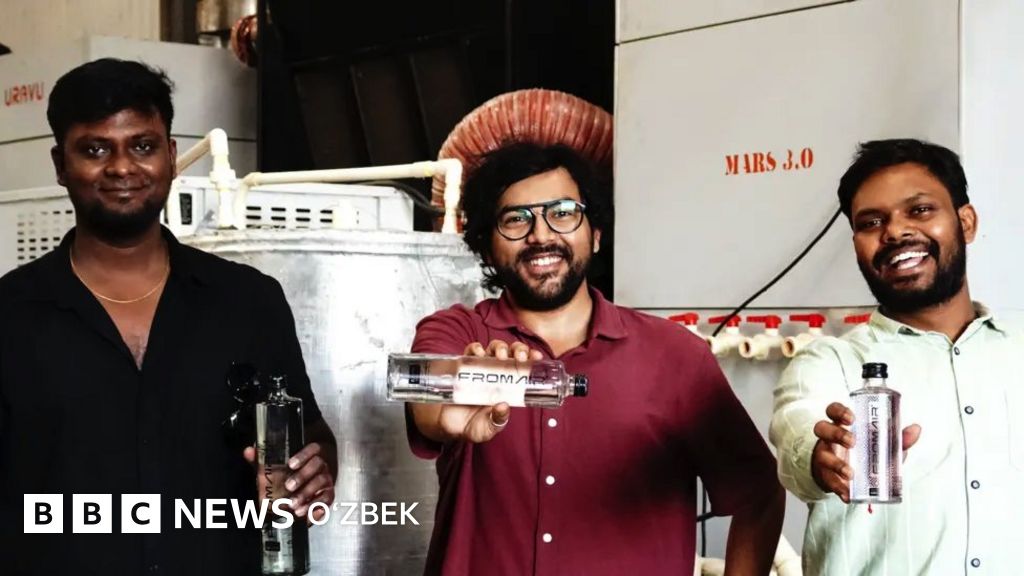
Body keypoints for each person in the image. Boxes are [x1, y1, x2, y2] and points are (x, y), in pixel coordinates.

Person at [0, 58, 337, 575]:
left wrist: (313, 471)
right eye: (95, 149)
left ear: (172, 156)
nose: (122, 168)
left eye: (142, 145)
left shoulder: (249, 301)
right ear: (60, 164)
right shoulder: (11, 313)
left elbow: (308, 431)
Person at [405, 142, 784, 576]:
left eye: (563, 212)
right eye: (516, 219)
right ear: (487, 248)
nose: (541, 235)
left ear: (596, 233)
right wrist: (448, 409)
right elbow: (426, 395)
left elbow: (758, 492)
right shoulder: (458, 332)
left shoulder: (675, 356)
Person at [770, 138, 1024, 574]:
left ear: (966, 223)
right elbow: (797, 428)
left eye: (919, 210)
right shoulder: (829, 363)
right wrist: (821, 456)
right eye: (871, 222)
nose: (894, 232)